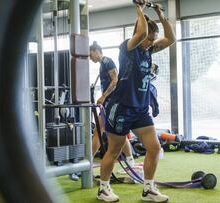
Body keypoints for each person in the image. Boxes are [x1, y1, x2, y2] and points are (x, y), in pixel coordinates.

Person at [96, 0, 175, 202]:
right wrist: (139, 9)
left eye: (153, 39)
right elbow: (140, 34)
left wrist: (159, 14)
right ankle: (103, 189)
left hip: (141, 109)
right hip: (121, 106)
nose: (151, 42)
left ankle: (148, 189)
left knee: (155, 148)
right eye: (150, 38)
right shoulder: (128, 48)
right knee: (113, 151)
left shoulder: (148, 51)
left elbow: (171, 39)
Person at [89, 41, 136, 168]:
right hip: (110, 102)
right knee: (112, 132)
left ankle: (88, 161)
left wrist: (103, 96)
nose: (90, 57)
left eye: (90, 54)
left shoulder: (107, 61)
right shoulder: (102, 65)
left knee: (98, 130)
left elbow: (115, 80)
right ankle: (130, 160)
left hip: (113, 101)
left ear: (96, 51)